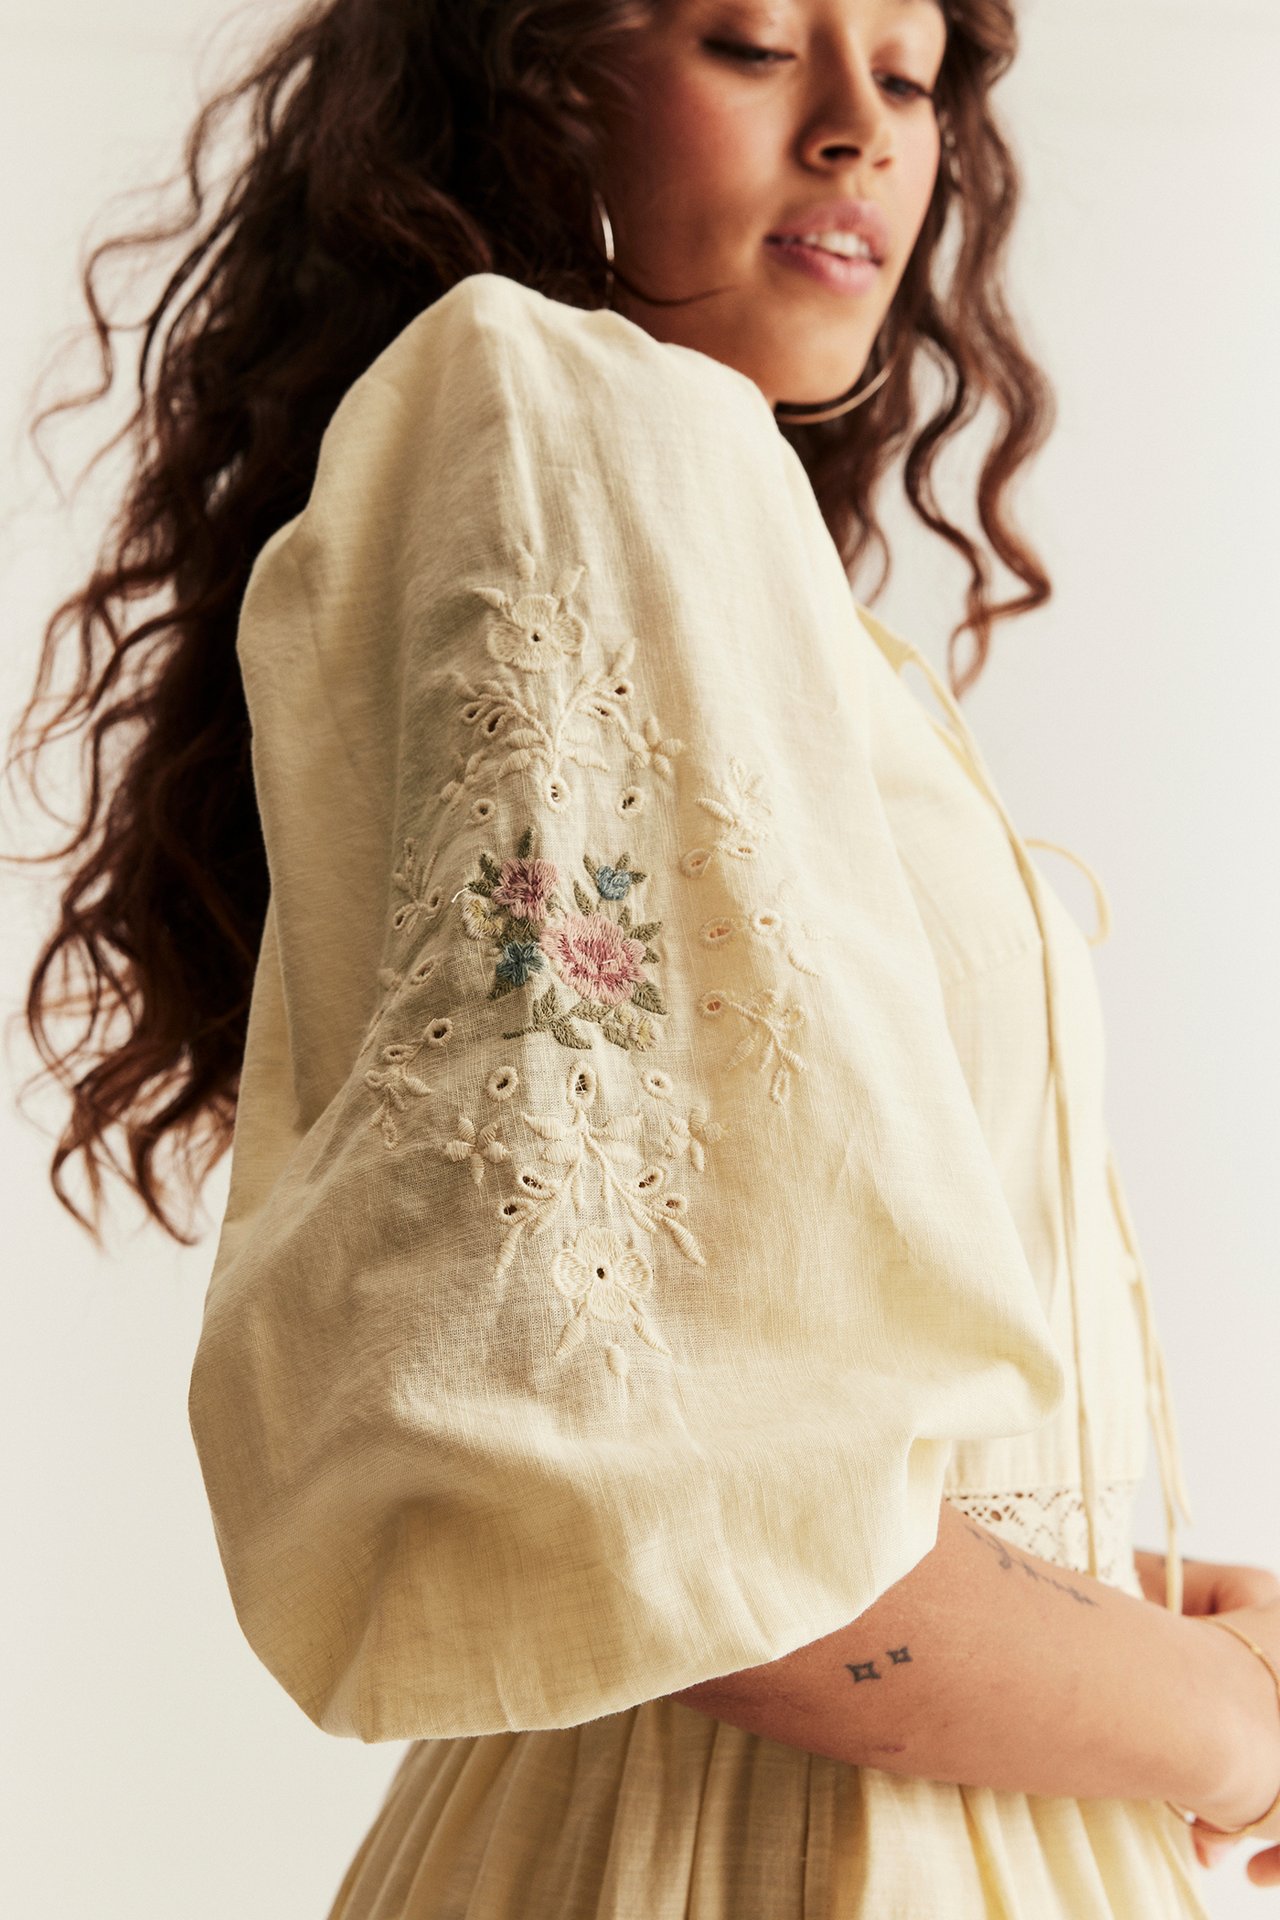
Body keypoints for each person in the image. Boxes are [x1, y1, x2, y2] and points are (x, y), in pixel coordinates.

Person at [9, 0, 1280, 1915]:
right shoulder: (566, 411)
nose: (862, 130)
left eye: (914, 76)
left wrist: (1100, 1580)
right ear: (533, 88)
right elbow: (682, 1509)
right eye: (757, 44)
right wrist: (1231, 1718)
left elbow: (760, 1423)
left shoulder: (722, 548)